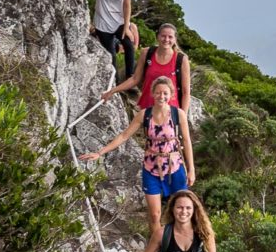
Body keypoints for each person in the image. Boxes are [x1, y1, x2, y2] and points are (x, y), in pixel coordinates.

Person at [80, 76, 195, 231]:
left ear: (171, 95)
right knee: (155, 215)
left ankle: (180, 245)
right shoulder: (144, 115)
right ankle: (157, 249)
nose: (162, 96)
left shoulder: (178, 114)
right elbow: (124, 136)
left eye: (165, 93)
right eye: (159, 92)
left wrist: (191, 169)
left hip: (175, 167)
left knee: (182, 211)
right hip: (151, 168)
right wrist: (100, 152)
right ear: (152, 94)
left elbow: (187, 141)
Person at [101, 22, 191, 114]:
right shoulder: (147, 53)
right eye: (163, 36)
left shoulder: (181, 59)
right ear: (158, 36)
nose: (166, 39)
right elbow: (135, 79)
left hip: (170, 113)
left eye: (170, 37)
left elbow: (185, 92)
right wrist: (112, 91)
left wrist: (183, 118)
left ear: (175, 39)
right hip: (146, 109)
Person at [83, 0, 135, 81]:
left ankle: (130, 78)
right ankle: (115, 83)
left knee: (129, 45)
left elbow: (127, 5)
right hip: (102, 22)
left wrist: (127, 27)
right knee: (111, 54)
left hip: (119, 21)